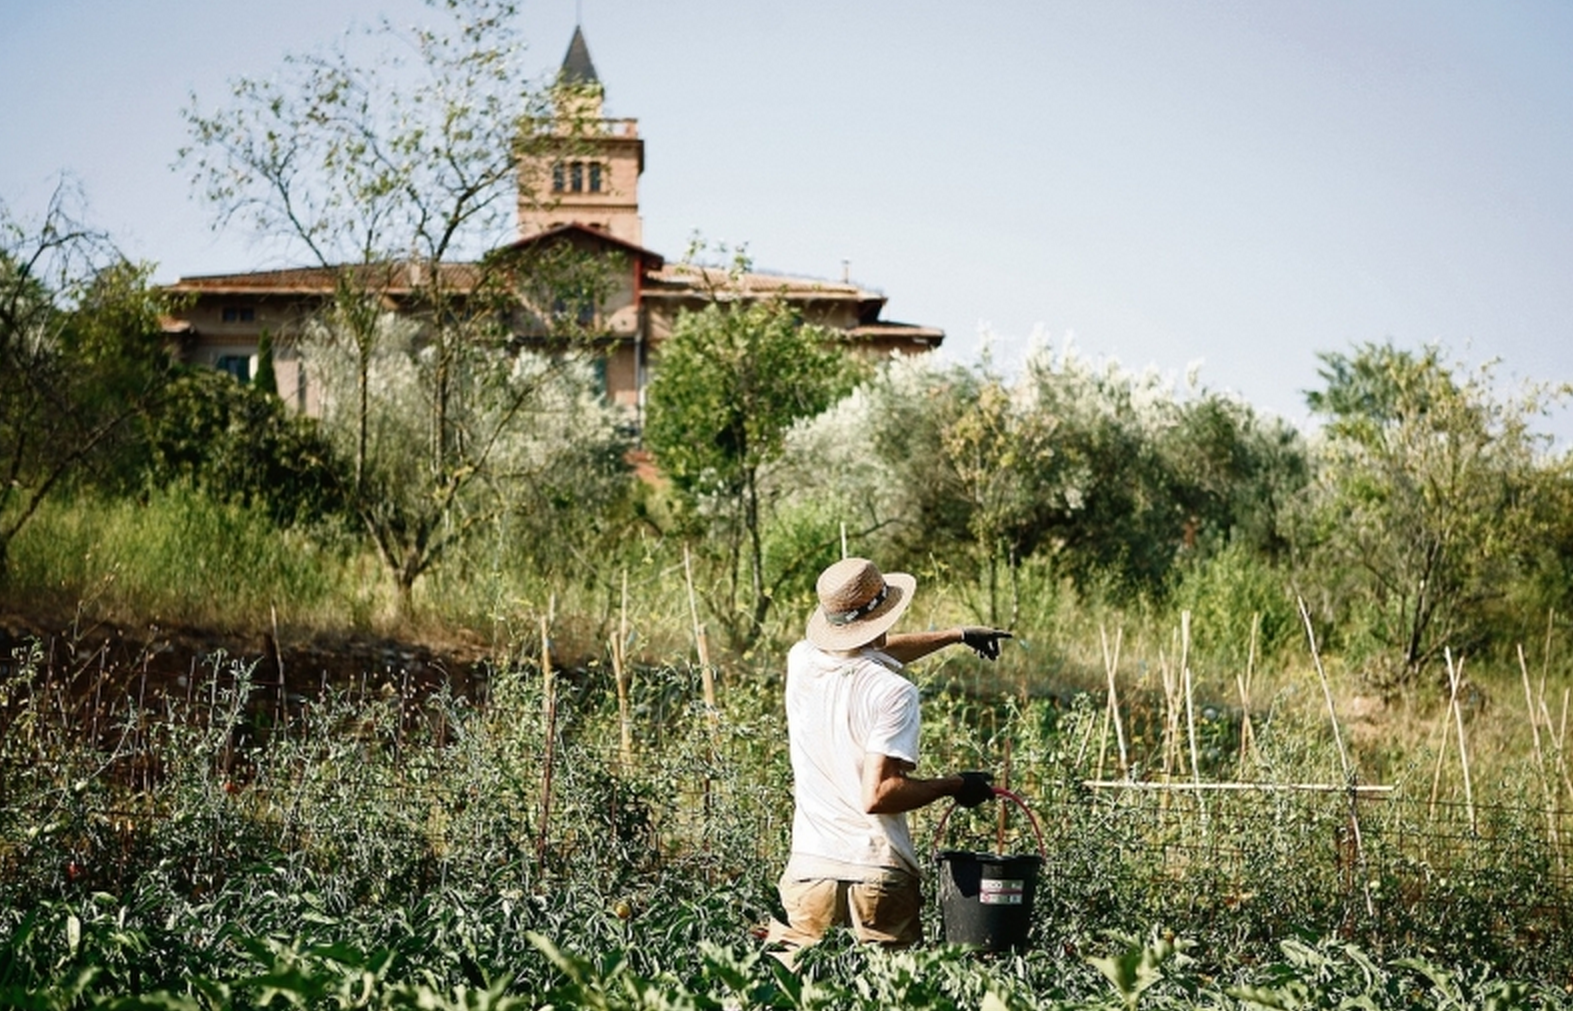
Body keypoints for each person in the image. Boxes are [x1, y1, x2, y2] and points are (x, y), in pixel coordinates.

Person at [761, 556, 1013, 957]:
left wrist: (955, 635)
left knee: (803, 995)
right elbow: (878, 795)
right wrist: (956, 785)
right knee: (889, 994)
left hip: (809, 875)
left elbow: (868, 651)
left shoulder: (802, 660)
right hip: (875, 874)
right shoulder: (893, 692)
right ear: (884, 614)